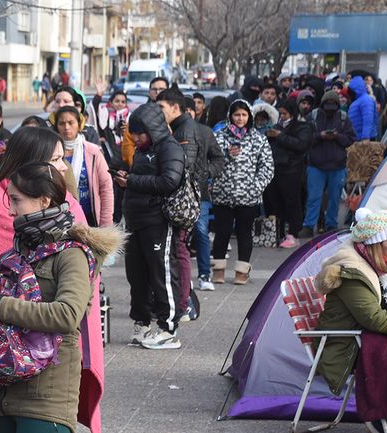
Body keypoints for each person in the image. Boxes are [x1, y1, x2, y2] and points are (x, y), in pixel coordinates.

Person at [0, 162, 122, 433]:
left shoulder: (72, 253)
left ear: (43, 200)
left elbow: (67, 315)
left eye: (16, 200)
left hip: (45, 398)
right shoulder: (17, 251)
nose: (11, 210)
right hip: (0, 392)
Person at [314, 208, 387, 399]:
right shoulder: (353, 272)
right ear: (375, 245)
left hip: (367, 334)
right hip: (349, 345)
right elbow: (375, 319)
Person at [114, 102, 185, 349]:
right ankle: (142, 323)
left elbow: (170, 180)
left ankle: (168, 328)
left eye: (140, 133)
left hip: (158, 221)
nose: (135, 137)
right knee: (137, 275)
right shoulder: (144, 150)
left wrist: (131, 180)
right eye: (133, 133)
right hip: (136, 219)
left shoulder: (169, 147)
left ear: (153, 128)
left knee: (162, 274)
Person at [157, 89, 225, 296]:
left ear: (176, 108)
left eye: (161, 107)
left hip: (193, 195)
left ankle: (203, 276)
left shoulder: (197, 131)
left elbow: (218, 159)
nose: (158, 112)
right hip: (182, 194)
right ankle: (185, 288)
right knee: (181, 243)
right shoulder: (169, 130)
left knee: (196, 236)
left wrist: (204, 175)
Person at [210, 100, 274, 285]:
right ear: (230, 115)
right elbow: (211, 162)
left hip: (249, 196)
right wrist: (227, 155)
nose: (240, 118)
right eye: (236, 115)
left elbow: (267, 167)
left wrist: (256, 186)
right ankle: (219, 271)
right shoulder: (220, 136)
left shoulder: (258, 138)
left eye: (244, 115)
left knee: (245, 233)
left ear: (249, 117)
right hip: (223, 194)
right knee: (222, 232)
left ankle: (241, 272)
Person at [301, 90, 356, 237]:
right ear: (322, 104)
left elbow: (350, 139)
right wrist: (320, 136)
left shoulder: (343, 118)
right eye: (327, 104)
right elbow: (305, 138)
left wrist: (337, 136)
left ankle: (331, 225)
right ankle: (309, 225)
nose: (330, 107)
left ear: (337, 105)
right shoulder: (312, 117)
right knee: (313, 197)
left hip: (337, 166)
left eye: (333, 104)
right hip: (316, 165)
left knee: (334, 198)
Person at [53, 106, 114, 227]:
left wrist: (106, 223)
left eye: (71, 123)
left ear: (79, 124)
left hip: (92, 218)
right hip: (63, 219)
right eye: (62, 123)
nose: (66, 127)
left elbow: (106, 188)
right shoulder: (53, 153)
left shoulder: (93, 152)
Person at [264, 99, 313, 248]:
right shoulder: (277, 126)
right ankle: (277, 233)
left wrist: (280, 136)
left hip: (292, 171)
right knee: (275, 202)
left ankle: (293, 233)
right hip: (276, 170)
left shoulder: (303, 127)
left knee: (292, 202)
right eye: (280, 113)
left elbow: (301, 145)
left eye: (285, 113)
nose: (282, 116)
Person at [348, 76, 378, 141]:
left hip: (365, 138)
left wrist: (365, 137)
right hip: (359, 137)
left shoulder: (366, 100)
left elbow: (368, 119)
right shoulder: (360, 100)